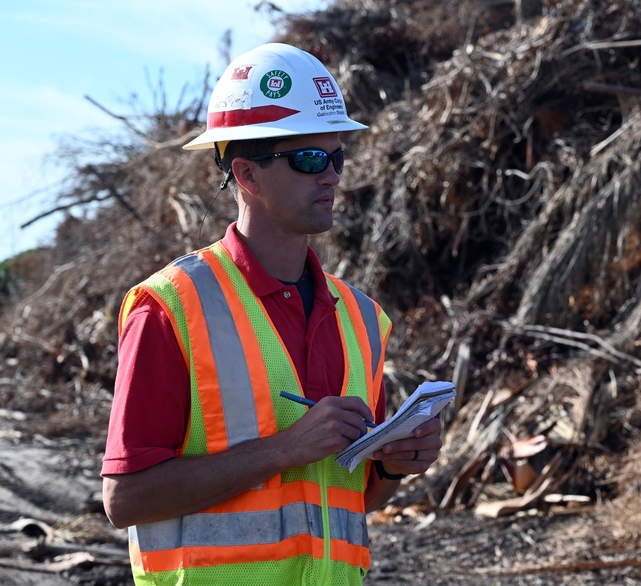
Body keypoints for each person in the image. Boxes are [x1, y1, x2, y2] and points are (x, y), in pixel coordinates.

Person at [101, 42, 444, 585]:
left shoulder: (361, 319)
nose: (331, 176)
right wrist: (286, 448)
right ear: (248, 175)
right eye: (310, 159)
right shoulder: (170, 309)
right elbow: (127, 498)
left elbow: (350, 494)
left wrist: (395, 464)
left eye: (336, 157)